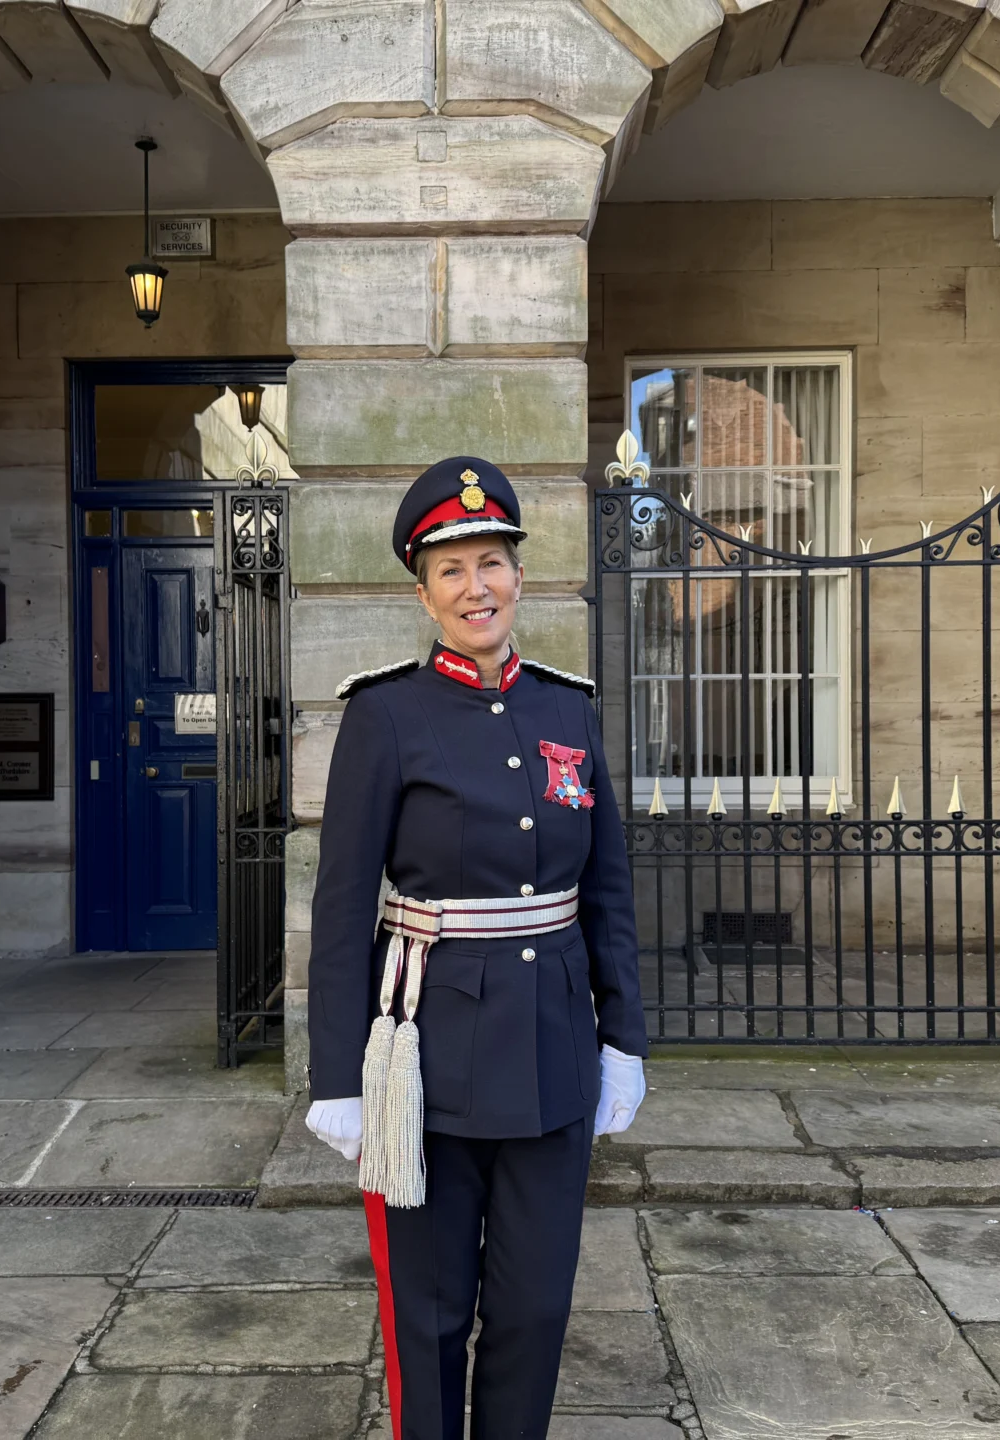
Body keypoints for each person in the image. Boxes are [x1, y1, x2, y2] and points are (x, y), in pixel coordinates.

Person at [303, 456, 650, 1440]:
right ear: (424, 593)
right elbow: (339, 910)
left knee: (535, 1314)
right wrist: (336, 1074)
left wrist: (620, 1037)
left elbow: (607, 889)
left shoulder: (566, 708)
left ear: (519, 578)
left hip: (550, 1054)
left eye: (491, 562)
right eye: (451, 571)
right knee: (430, 1318)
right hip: (424, 1059)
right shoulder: (384, 715)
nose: (476, 587)